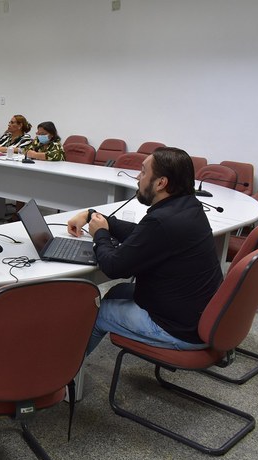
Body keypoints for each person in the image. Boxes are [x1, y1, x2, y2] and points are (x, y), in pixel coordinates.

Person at [66, 147, 223, 355]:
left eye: (143, 172)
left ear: (160, 183)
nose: (138, 178)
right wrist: (94, 216)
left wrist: (100, 234)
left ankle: (65, 371)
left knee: (98, 312)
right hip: (196, 315)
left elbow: (113, 267)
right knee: (117, 293)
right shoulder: (188, 206)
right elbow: (141, 234)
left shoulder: (163, 220)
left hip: (180, 330)